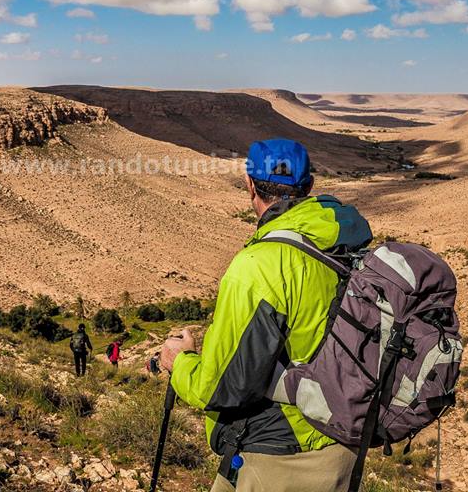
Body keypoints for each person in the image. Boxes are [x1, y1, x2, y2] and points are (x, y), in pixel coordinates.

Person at [160, 139, 373, 492]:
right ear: (309, 187)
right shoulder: (344, 244)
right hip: (342, 444)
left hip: (279, 455)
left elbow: (218, 388)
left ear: (249, 184)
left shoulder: (259, 266)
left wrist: (178, 361)